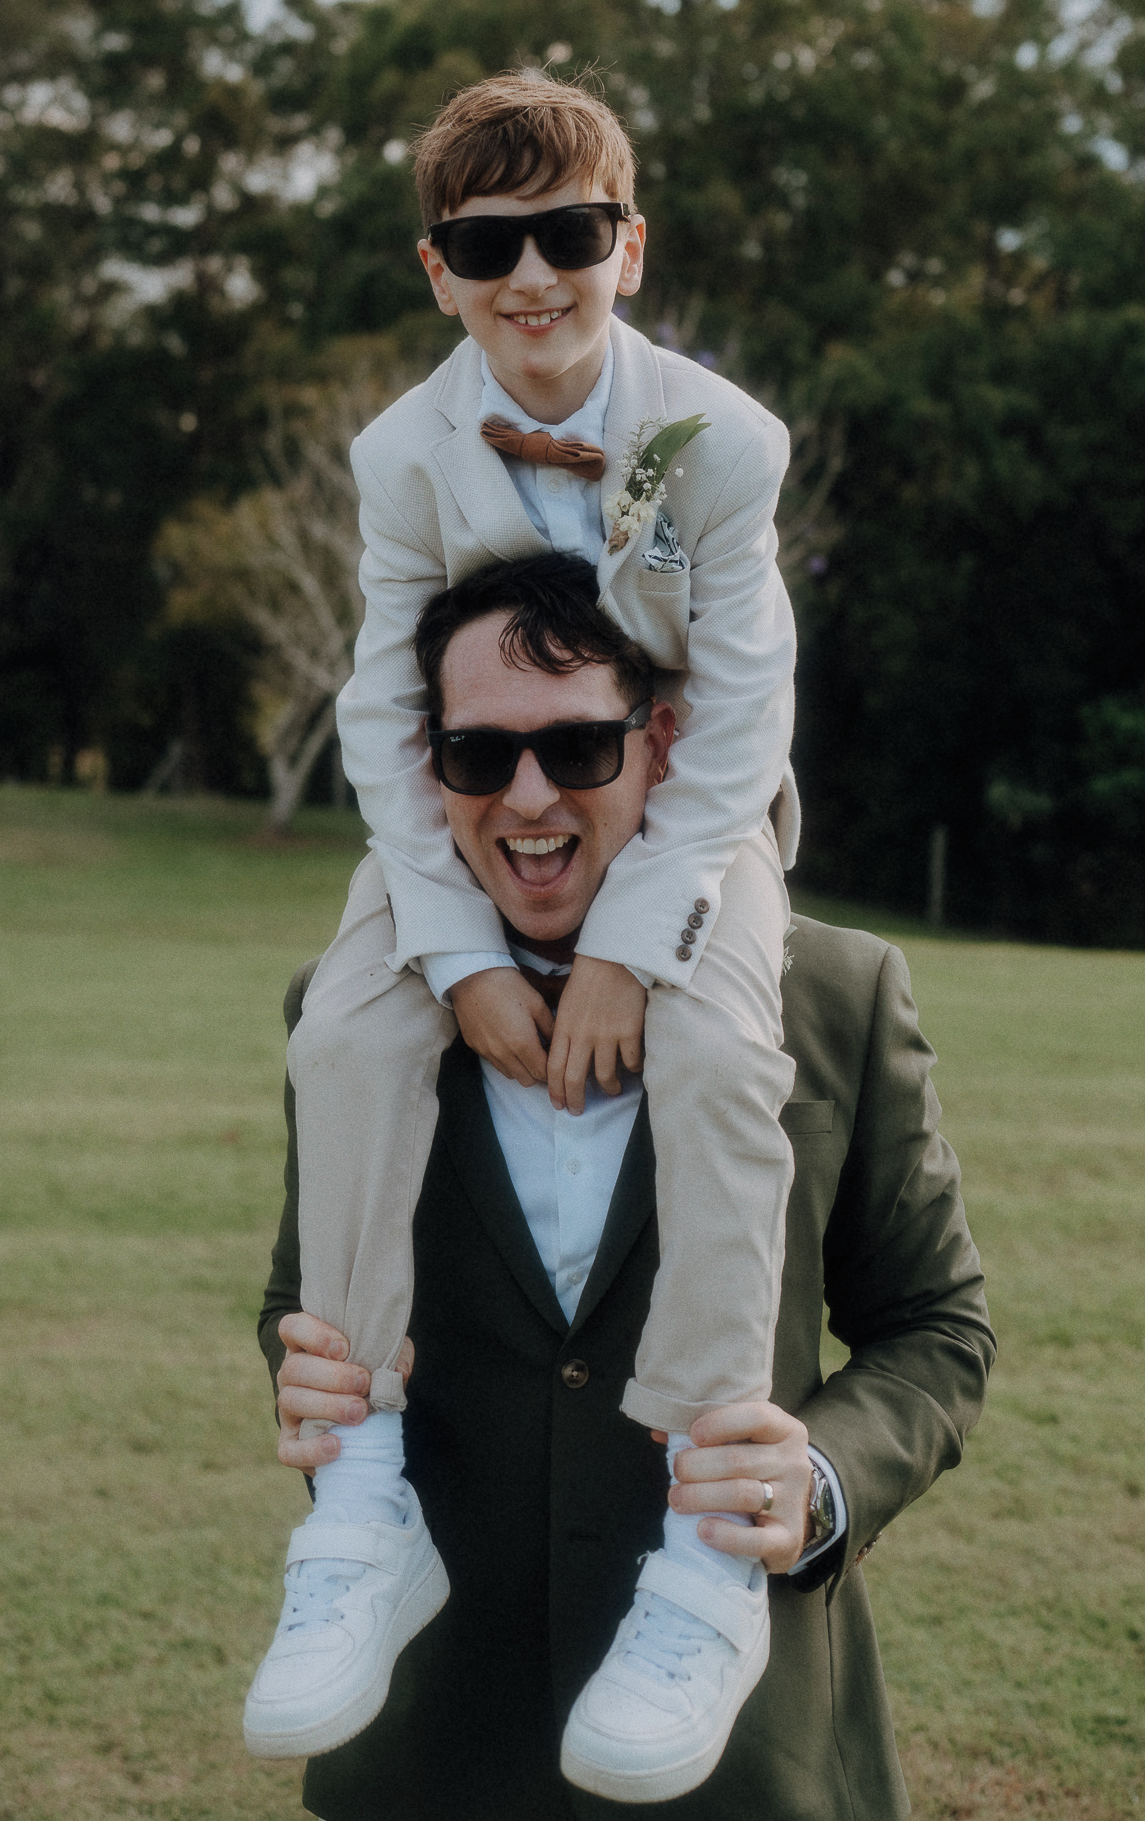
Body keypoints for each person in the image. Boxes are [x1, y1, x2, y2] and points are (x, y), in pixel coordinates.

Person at [246, 69, 805, 1796]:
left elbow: (741, 718)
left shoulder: (722, 436)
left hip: (688, 824)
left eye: (566, 235)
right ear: (439, 271)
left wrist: (634, 946)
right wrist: (462, 955)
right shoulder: (400, 454)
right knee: (341, 1037)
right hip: (457, 821)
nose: (532, 275)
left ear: (625, 246)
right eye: (489, 246)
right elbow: (374, 708)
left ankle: (708, 1556)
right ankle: (358, 1510)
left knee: (714, 1055)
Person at [253, 555, 995, 1819]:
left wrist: (816, 1481)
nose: (526, 796)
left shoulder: (835, 995)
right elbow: (295, 1299)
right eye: (478, 755)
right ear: (428, 768)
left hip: (745, 1760)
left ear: (660, 746)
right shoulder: (346, 1014)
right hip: (436, 1749)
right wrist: (302, 1366)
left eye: (578, 747)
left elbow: (938, 1331)